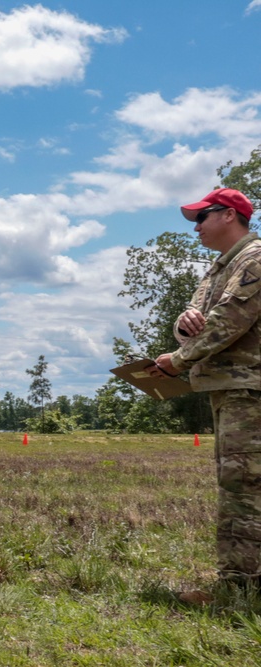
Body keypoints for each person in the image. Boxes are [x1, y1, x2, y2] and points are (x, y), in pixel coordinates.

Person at [151, 187, 261, 599]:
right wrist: (182, 325)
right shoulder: (220, 268)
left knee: (243, 487)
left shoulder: (254, 259)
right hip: (231, 387)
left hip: (249, 389)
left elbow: (228, 321)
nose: (195, 226)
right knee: (239, 482)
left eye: (202, 217)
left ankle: (240, 588)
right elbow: (193, 323)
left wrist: (177, 361)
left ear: (229, 214)